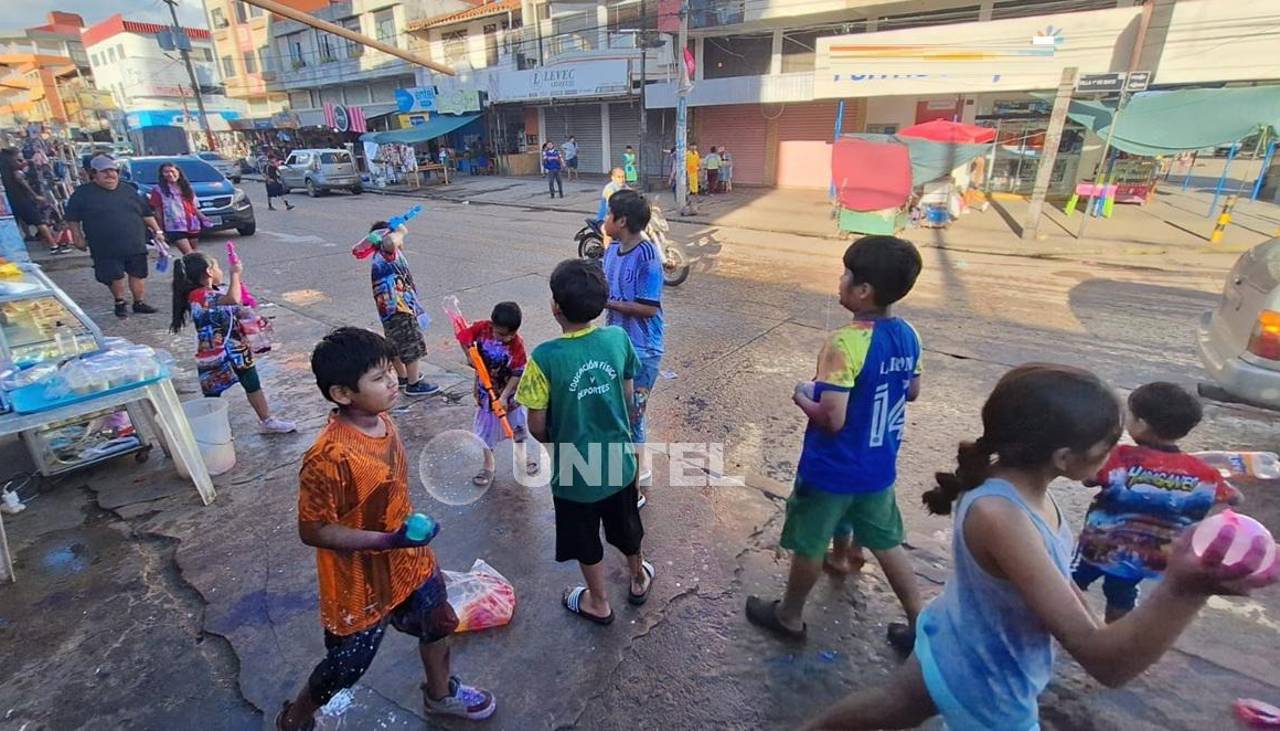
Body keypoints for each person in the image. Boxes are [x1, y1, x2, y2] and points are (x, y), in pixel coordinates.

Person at [801, 364, 1279, 731]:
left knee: (892, 705)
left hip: (958, 638)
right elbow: (1107, 662)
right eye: (1109, 443)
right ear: (1065, 458)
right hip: (990, 681)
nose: (1117, 454)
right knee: (891, 705)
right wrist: (1183, 587)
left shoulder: (1011, 482)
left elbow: (1055, 590)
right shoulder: (1000, 515)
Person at [276, 327, 496, 730]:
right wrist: (387, 540)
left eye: (391, 370)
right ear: (342, 394)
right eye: (378, 378)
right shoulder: (329, 457)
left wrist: (404, 538)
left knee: (438, 624)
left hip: (411, 561)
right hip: (359, 584)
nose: (394, 379)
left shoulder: (384, 421)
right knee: (346, 665)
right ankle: (296, 716)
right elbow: (313, 529)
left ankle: (441, 695)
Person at [746, 235, 925, 650]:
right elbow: (912, 390)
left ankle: (789, 616)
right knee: (886, 542)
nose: (840, 281)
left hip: (831, 470)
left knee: (808, 542)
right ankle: (919, 621)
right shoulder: (908, 334)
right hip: (878, 466)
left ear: (863, 291)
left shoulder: (846, 341)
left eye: (846, 275)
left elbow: (832, 418)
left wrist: (802, 397)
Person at [516, 259, 655, 625]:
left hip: (574, 472)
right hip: (619, 462)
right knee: (627, 527)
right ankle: (638, 578)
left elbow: (537, 426)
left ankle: (598, 602)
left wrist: (561, 436)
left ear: (555, 307)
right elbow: (628, 397)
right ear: (602, 303)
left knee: (584, 539)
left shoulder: (544, 358)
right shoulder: (617, 339)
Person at [1073, 382, 1242, 622]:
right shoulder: (1204, 473)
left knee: (1070, 582)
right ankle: (1115, 638)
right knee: (1121, 595)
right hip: (1148, 556)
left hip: (1099, 546)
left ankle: (1061, 624)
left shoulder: (1119, 457)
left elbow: (1088, 478)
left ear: (1140, 424)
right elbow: (1234, 498)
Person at [170, 252, 296, 434]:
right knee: (213, 392)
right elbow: (232, 299)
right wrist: (235, 273)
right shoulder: (199, 295)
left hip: (235, 348)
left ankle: (266, 420)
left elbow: (234, 307)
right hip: (217, 353)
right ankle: (210, 430)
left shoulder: (211, 292)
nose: (220, 271)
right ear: (208, 271)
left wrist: (255, 319)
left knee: (251, 382)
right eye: (217, 267)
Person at [601, 190, 664, 507]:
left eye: (608, 214)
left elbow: (649, 308)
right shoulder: (612, 249)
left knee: (634, 418)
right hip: (615, 345)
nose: (604, 219)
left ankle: (634, 489)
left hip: (642, 351)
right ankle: (633, 471)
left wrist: (607, 302)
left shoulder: (648, 257)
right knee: (619, 416)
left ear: (622, 221)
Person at [64, 155, 166, 319]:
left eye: (113, 171)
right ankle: (120, 302)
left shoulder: (129, 189)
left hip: (134, 242)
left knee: (138, 273)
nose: (110, 175)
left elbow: (146, 213)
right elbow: (72, 218)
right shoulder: (82, 194)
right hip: (104, 245)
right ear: (94, 174)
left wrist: (158, 231)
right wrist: (77, 237)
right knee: (114, 275)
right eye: (104, 172)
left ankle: (138, 302)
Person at [458, 302, 537, 487]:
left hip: (509, 394)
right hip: (486, 392)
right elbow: (463, 337)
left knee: (517, 425)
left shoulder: (517, 345)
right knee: (485, 429)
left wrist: (504, 397)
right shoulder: (481, 329)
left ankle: (522, 457)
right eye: (500, 333)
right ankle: (488, 465)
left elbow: (518, 373)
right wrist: (469, 356)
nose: (504, 338)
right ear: (492, 325)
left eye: (509, 335)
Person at [366, 221, 439, 397]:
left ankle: (404, 377)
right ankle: (414, 384)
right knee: (411, 342)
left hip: (389, 310)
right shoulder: (386, 253)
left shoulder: (381, 256)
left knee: (395, 344)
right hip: (399, 309)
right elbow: (390, 242)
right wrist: (400, 231)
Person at [1, 148, 59, 253]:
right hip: (21, 197)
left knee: (14, 223)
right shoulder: (14, 168)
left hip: (9, 199)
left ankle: (14, 246)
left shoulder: (4, 166)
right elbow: (21, 180)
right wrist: (35, 195)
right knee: (38, 221)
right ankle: (53, 245)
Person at [148, 162, 210, 255]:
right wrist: (160, 230)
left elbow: (193, 207)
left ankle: (193, 269)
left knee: (195, 255)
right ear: (162, 174)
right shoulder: (158, 190)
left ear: (178, 172)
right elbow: (158, 212)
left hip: (192, 225)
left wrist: (204, 218)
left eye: (172, 171)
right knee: (189, 253)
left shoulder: (186, 187)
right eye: (166, 172)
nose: (170, 174)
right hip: (175, 227)